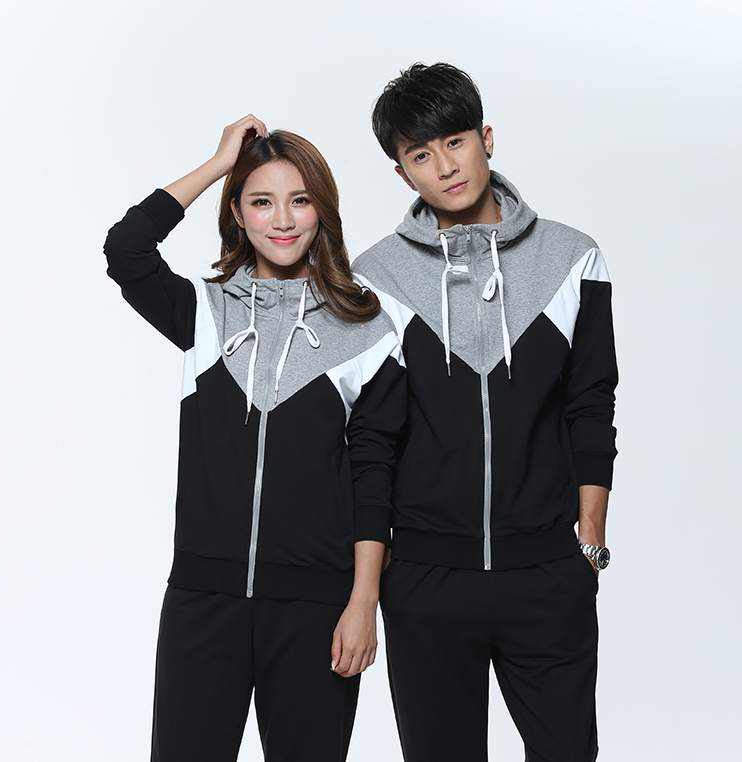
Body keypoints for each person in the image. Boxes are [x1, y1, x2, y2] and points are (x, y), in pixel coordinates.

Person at [104, 115, 405, 762]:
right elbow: (125, 249)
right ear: (238, 214)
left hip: (316, 608)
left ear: (323, 210)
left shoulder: (367, 332)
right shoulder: (205, 314)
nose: (283, 219)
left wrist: (363, 601)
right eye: (262, 201)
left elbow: (374, 477)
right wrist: (220, 163)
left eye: (301, 200)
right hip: (203, 602)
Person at [352, 64, 618, 762]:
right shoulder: (376, 278)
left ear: (486, 138)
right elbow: (371, 440)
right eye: (421, 155)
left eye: (455, 142)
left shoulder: (573, 259)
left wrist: (587, 544)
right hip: (425, 579)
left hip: (547, 573)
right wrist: (374, 586)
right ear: (402, 173)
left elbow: (591, 403)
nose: (445, 166)